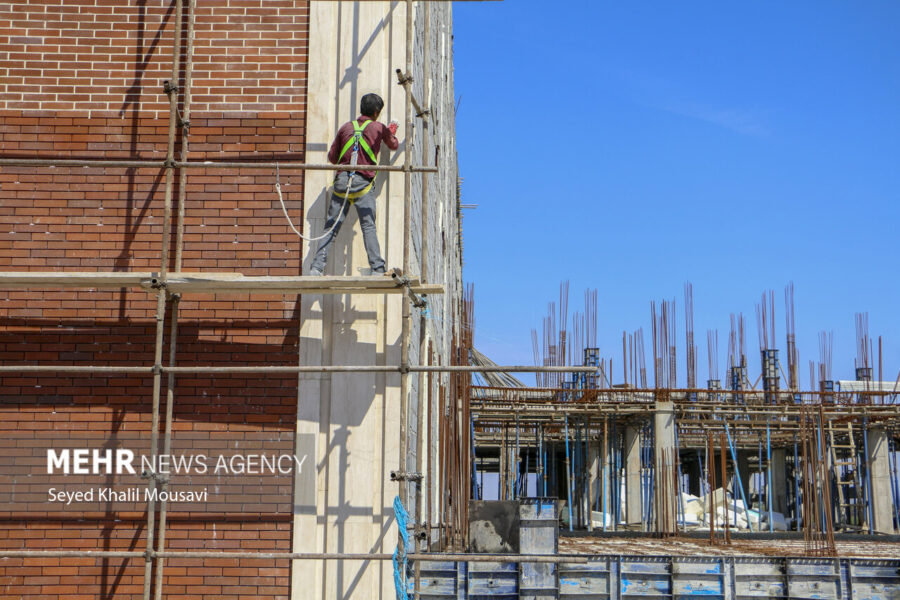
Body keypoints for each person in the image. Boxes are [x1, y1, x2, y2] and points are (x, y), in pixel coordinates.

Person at [308, 93, 399, 276]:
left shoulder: (346, 127)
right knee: (368, 226)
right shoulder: (378, 127)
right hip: (362, 184)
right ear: (376, 111)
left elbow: (332, 158)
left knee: (331, 227)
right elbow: (394, 145)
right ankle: (377, 268)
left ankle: (317, 268)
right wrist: (391, 131)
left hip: (342, 182)